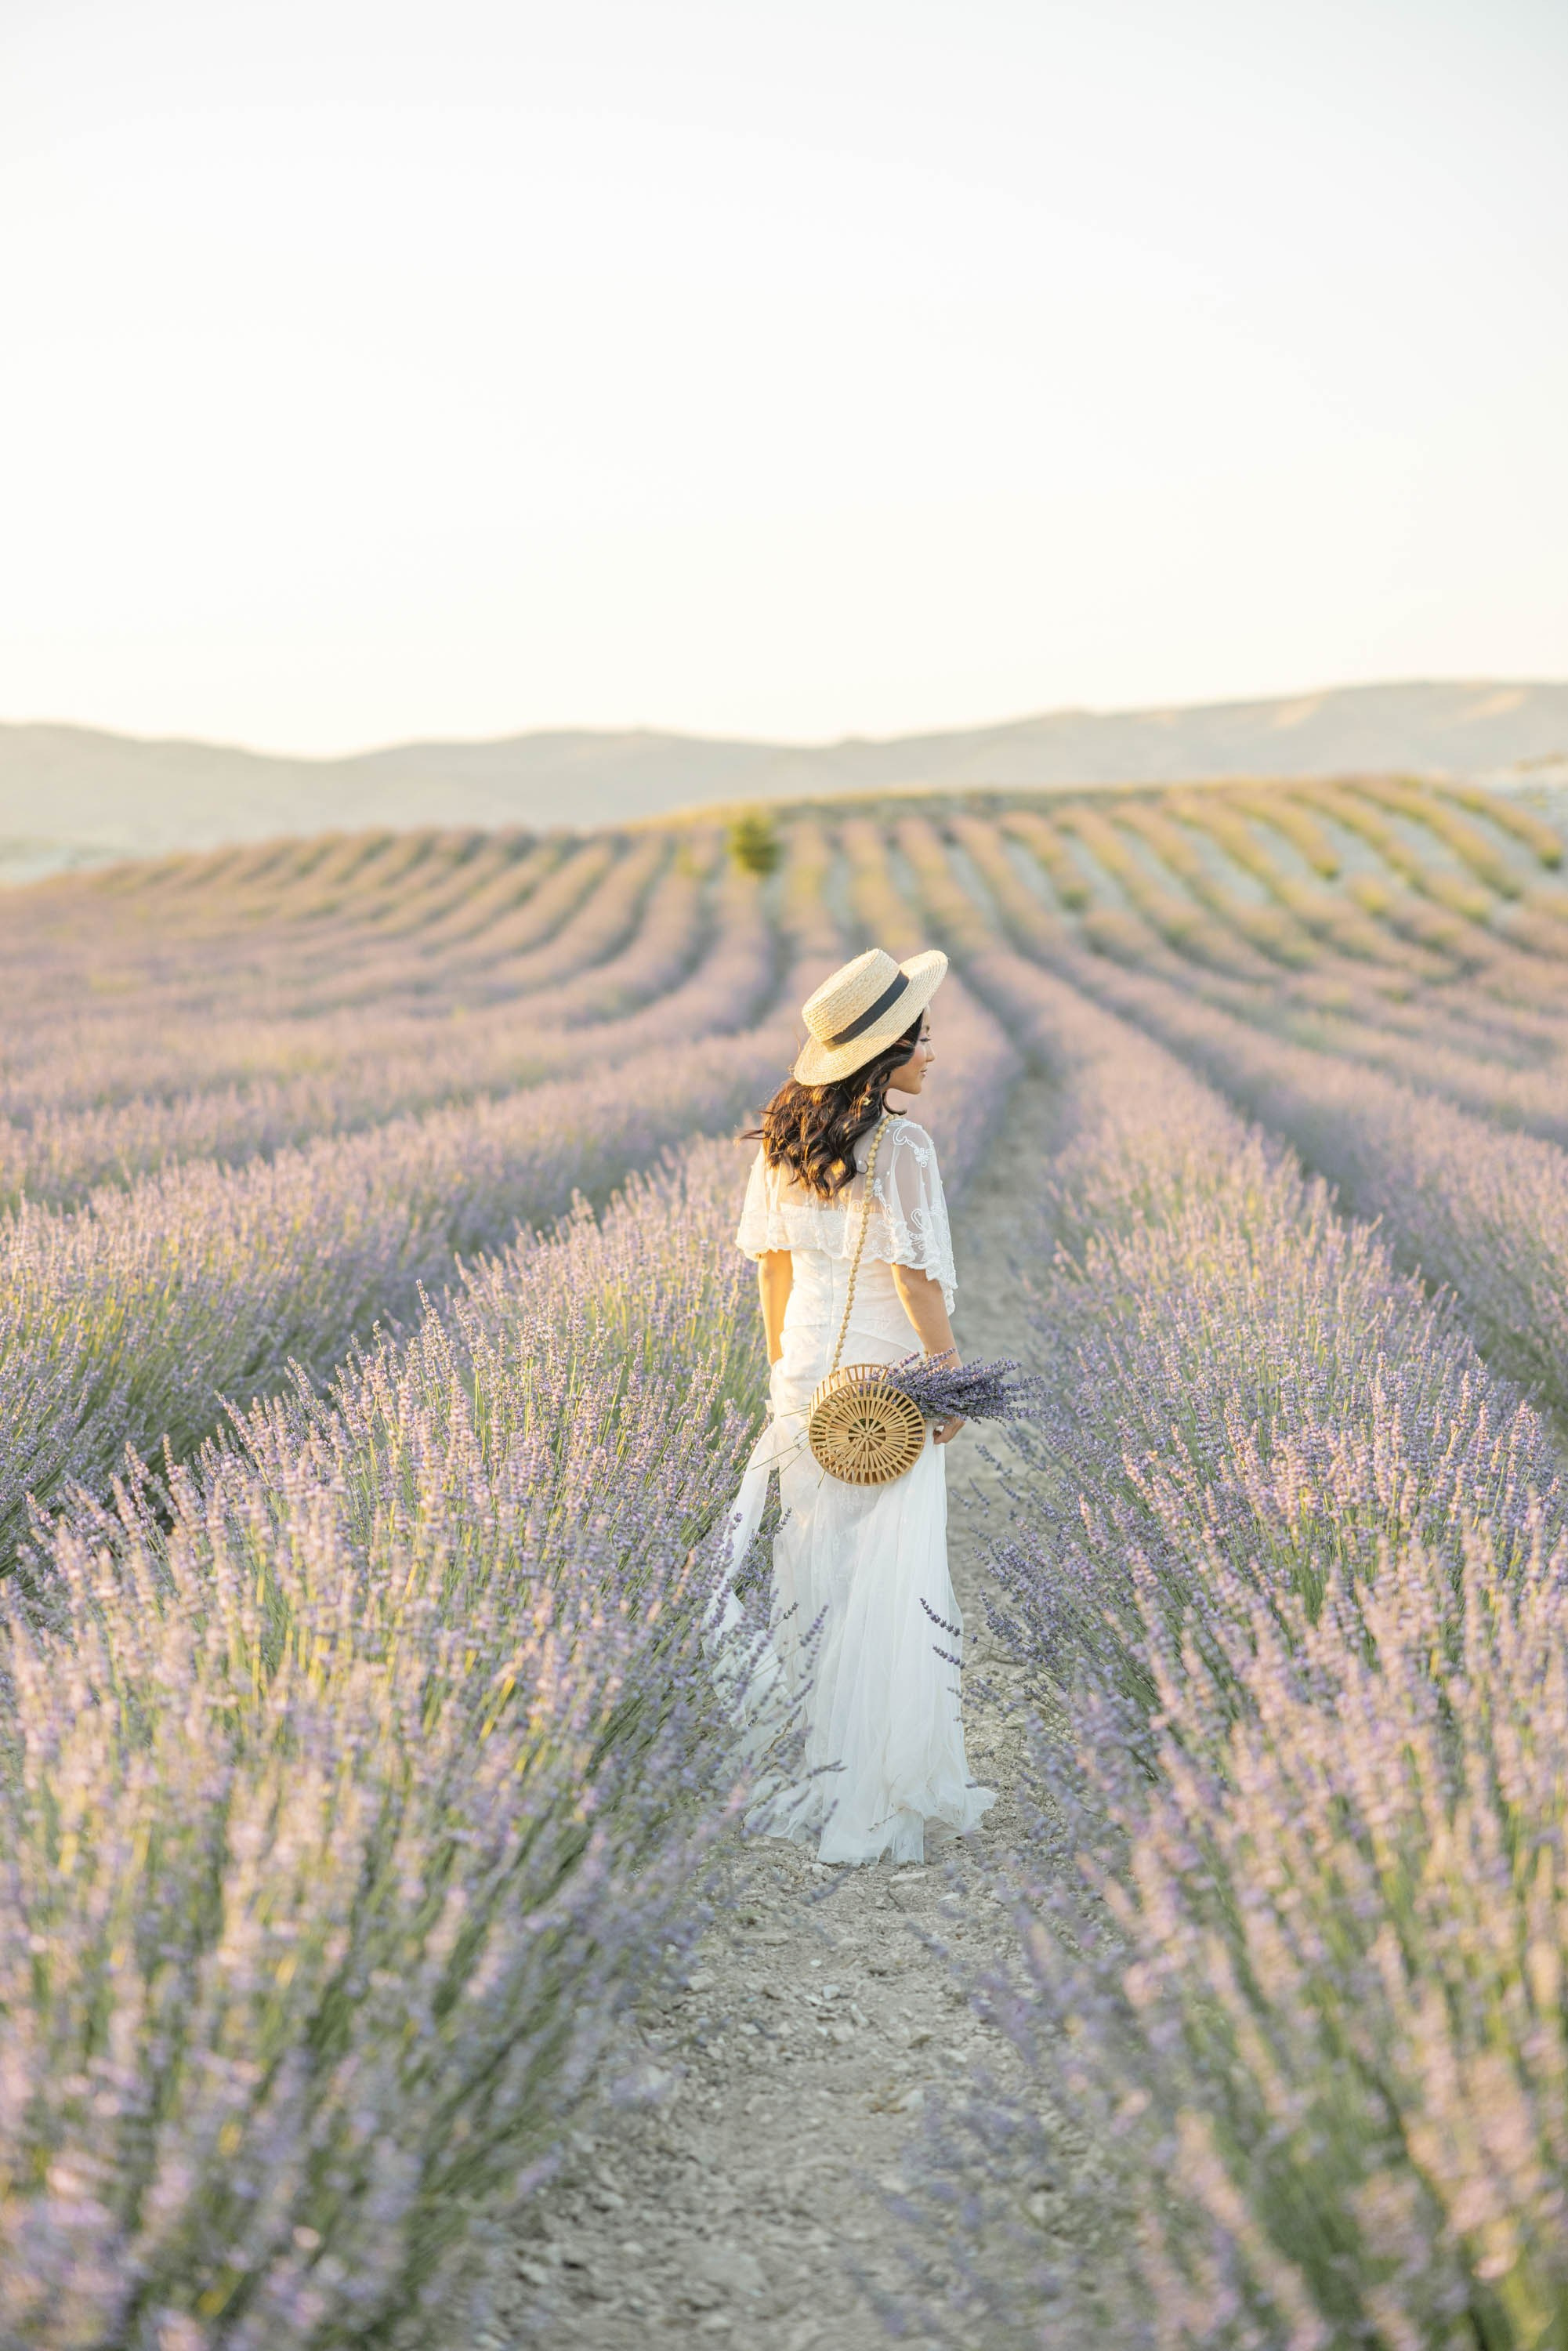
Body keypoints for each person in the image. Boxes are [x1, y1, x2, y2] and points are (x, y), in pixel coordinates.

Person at [721, 945, 997, 1867]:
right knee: (893, 1573)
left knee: (815, 1568)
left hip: (807, 1382)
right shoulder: (902, 1146)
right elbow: (913, 1278)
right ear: (882, 1060)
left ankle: (816, 1759)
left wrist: (780, 1376)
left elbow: (773, 1269)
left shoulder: (782, 1142)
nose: (934, 1052)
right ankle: (875, 1778)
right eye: (920, 1038)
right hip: (887, 1388)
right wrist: (947, 1374)